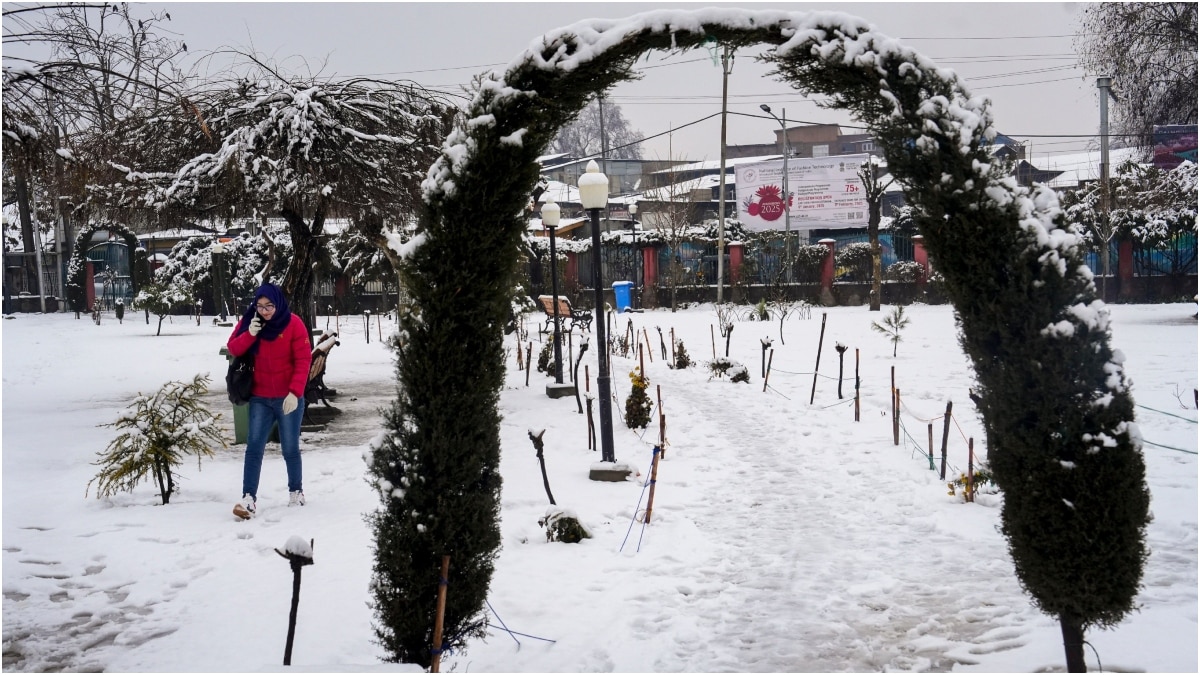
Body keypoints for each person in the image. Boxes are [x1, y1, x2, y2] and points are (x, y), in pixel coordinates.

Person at [227, 283, 312, 519]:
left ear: (279, 304)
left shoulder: (294, 324)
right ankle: (249, 499)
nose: (264, 311)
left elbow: (303, 360)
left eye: (269, 306)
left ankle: (296, 491)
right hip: (260, 398)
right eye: (260, 306)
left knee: (290, 447)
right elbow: (233, 348)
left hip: (288, 398)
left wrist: (295, 393)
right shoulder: (251, 322)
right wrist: (250, 333)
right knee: (254, 447)